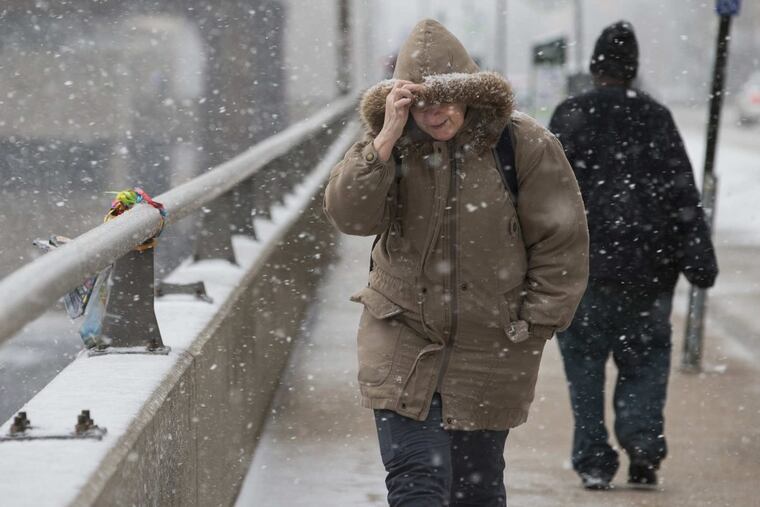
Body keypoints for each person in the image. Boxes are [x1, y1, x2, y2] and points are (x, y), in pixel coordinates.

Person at [324, 19, 589, 506]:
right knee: (416, 484)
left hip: (489, 348)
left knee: (476, 492)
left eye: (445, 97)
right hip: (401, 338)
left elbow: (561, 242)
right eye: (419, 101)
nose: (434, 113)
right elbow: (350, 216)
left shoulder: (524, 146)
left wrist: (533, 324)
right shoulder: (391, 145)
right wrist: (381, 142)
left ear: (470, 94)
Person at [549, 20, 718, 491]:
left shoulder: (570, 114)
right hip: (649, 272)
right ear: (634, 68)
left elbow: (543, 195)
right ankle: (643, 445)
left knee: (583, 370)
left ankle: (593, 462)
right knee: (644, 362)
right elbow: (682, 193)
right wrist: (698, 257)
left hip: (581, 274)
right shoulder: (656, 117)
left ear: (595, 67)